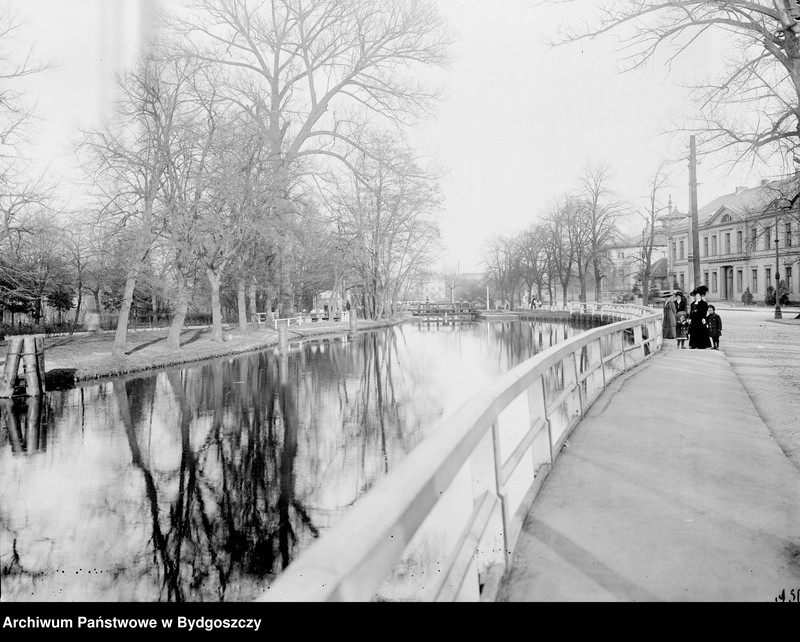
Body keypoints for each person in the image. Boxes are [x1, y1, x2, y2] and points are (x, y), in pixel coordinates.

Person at [688, 285, 711, 349]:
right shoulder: (693, 303)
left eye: (698, 296)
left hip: (700, 319)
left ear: (700, 296)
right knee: (693, 332)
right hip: (694, 319)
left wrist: (704, 318)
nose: (697, 297)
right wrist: (690, 318)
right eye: (696, 296)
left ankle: (701, 344)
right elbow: (691, 311)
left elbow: (704, 312)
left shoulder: (704, 303)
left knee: (701, 332)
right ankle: (693, 344)